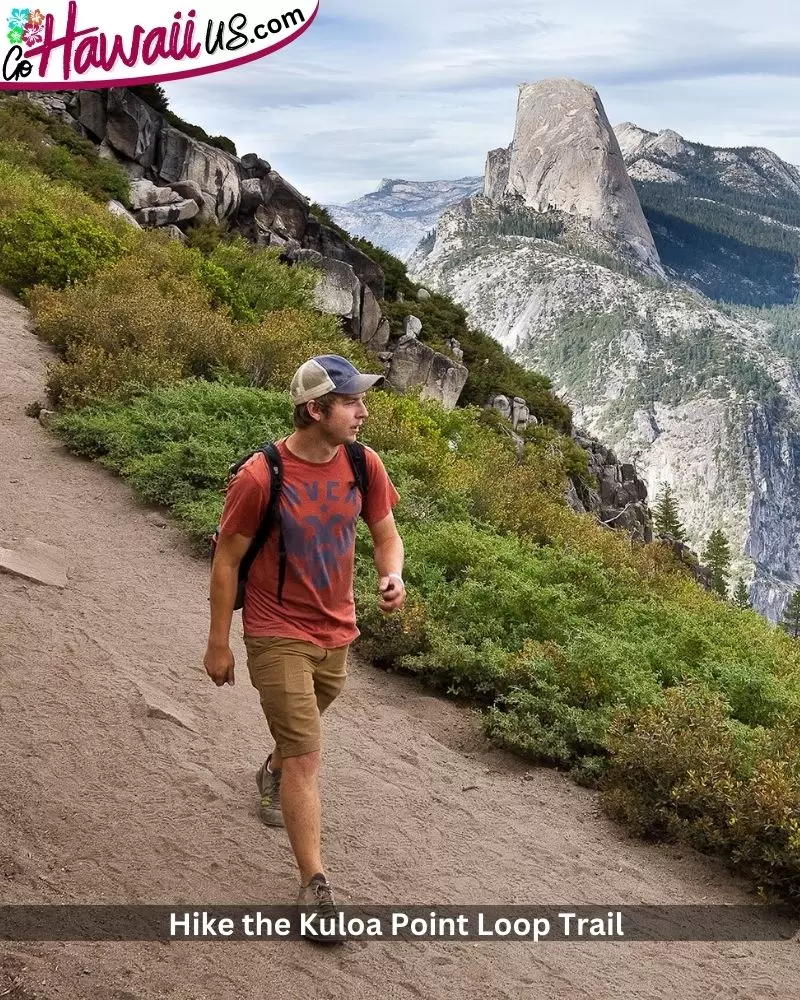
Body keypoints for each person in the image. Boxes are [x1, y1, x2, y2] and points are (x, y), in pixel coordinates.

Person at [203, 354, 405, 932]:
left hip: (336, 629)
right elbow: (226, 561)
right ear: (315, 409)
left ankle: (270, 772)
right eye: (351, 402)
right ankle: (314, 887)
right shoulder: (260, 476)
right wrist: (219, 643)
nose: (363, 412)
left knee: (299, 741)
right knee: (308, 756)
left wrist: (393, 574)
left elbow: (386, 534)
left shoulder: (364, 465)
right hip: (275, 630)